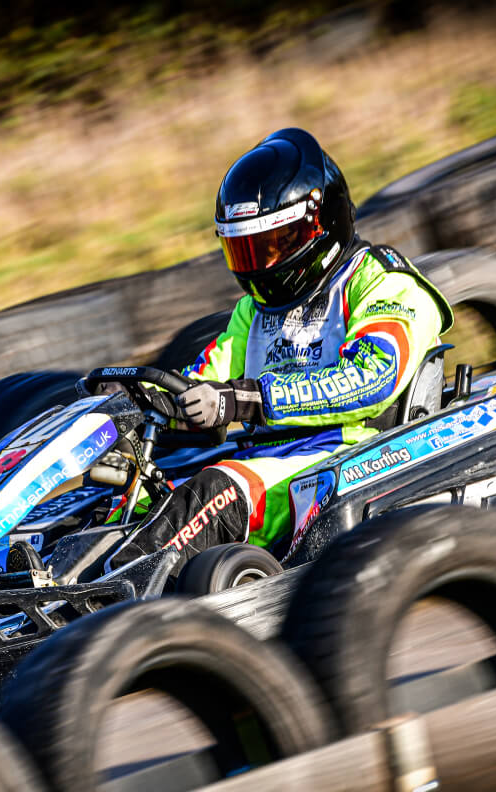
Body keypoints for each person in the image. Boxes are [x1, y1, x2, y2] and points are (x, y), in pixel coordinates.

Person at [105, 128, 453, 571]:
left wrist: (250, 399)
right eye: (245, 249)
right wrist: (139, 406)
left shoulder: (383, 282)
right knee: (129, 492)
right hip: (266, 459)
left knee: (216, 489)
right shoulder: (254, 311)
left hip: (349, 455)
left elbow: (373, 378)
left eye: (272, 246)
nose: (259, 265)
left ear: (318, 224)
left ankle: (109, 603)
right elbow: (201, 382)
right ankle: (43, 577)